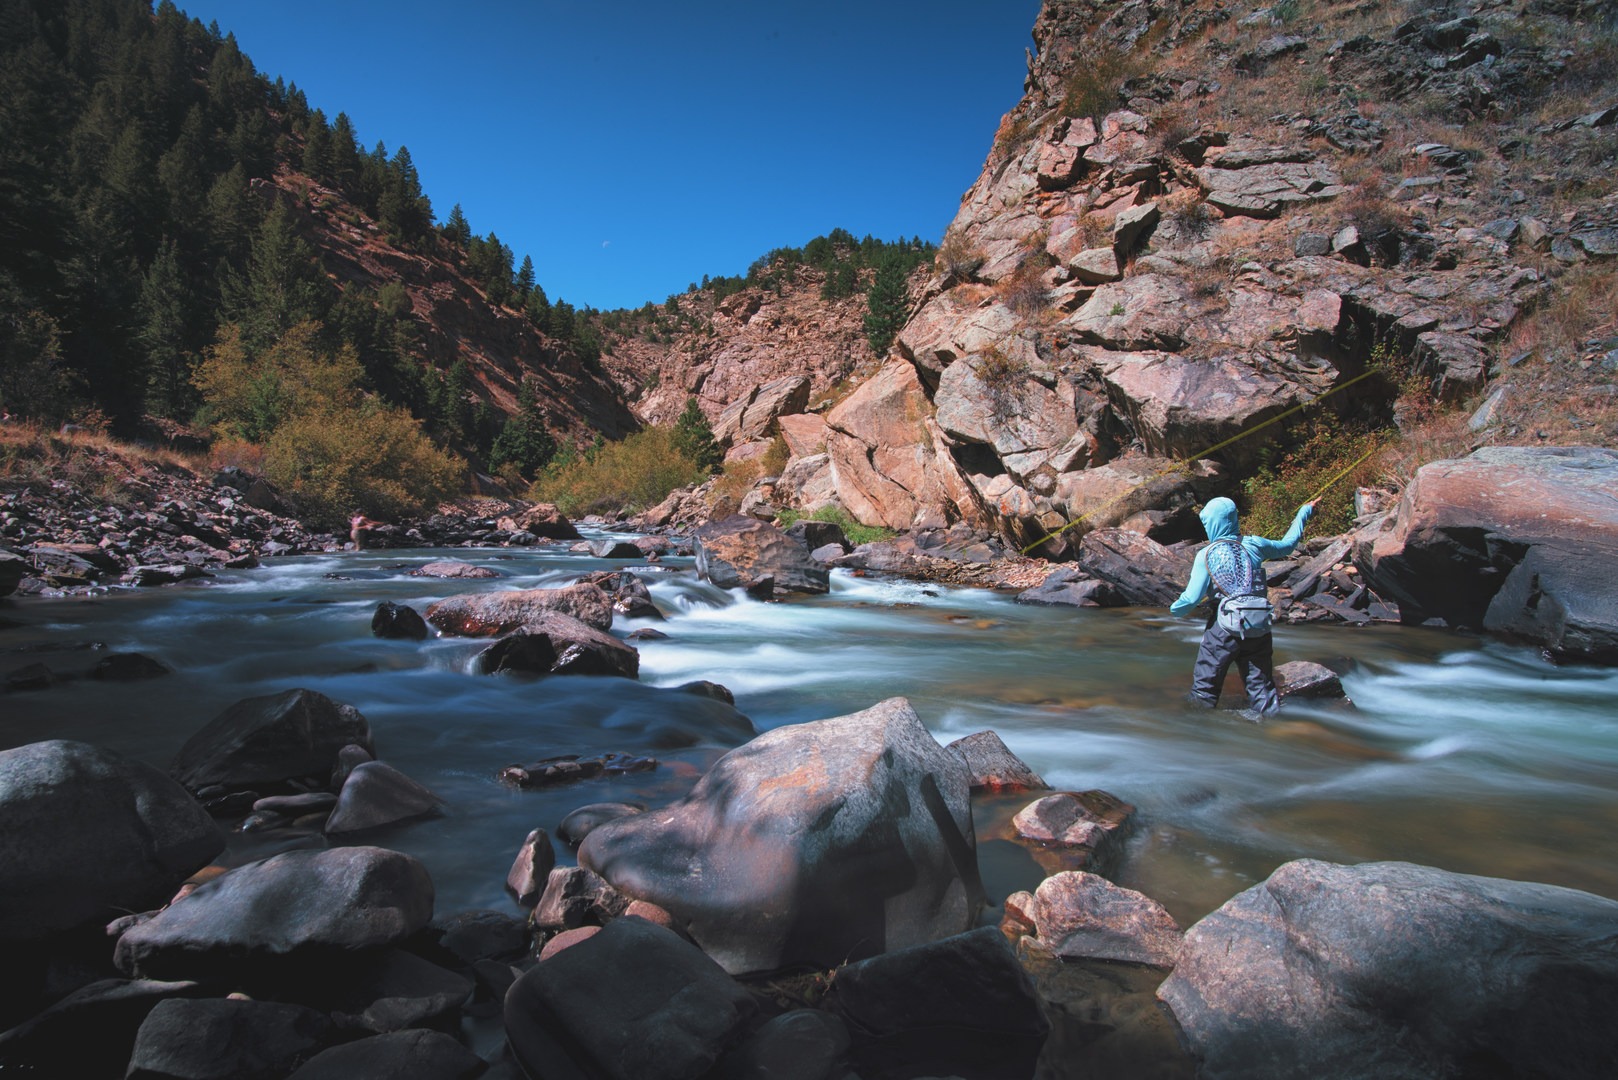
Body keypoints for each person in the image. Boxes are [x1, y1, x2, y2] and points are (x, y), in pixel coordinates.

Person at [1170, 496, 1314, 716]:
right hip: (1258, 624)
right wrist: (1304, 512)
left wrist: (1175, 610)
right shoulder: (1256, 543)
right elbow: (1288, 545)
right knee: (1262, 689)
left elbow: (1191, 599)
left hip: (1223, 628)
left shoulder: (1206, 554)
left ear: (1212, 523)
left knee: (1205, 687)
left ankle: (1194, 729)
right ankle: (1271, 727)